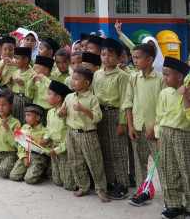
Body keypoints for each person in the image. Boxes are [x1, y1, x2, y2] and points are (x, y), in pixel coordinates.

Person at [123, 42, 165, 206]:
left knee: (160, 164)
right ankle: (143, 193)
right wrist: (130, 126)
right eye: (133, 58)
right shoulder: (133, 78)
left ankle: (170, 198)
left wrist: (155, 127)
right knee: (139, 163)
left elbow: (164, 107)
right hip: (137, 128)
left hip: (154, 130)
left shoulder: (161, 79)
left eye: (138, 58)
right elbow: (128, 102)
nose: (135, 61)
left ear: (150, 59)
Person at [60, 67, 110, 202]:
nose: (73, 81)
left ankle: (101, 190)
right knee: (76, 162)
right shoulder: (69, 97)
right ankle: (83, 186)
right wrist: (62, 112)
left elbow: (98, 117)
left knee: (95, 163)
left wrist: (83, 109)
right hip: (72, 133)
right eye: (73, 79)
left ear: (86, 83)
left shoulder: (92, 99)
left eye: (77, 79)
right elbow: (61, 115)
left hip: (87, 134)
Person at [93, 37, 129, 200]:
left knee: (118, 151)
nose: (106, 58)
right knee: (104, 149)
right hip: (100, 114)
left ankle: (122, 184)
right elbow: (93, 96)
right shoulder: (97, 74)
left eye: (110, 55)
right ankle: (109, 181)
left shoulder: (122, 76)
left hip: (115, 114)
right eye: (103, 54)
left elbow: (125, 100)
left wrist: (122, 122)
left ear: (118, 57)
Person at [154, 56, 190, 219]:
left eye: (167, 75)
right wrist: (159, 138)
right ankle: (174, 205)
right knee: (169, 171)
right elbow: (159, 117)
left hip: (183, 135)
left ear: (180, 77)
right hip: (165, 133)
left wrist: (186, 97)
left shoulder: (187, 91)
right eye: (164, 74)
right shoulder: (164, 93)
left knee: (186, 171)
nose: (164, 78)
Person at [42, 80, 75, 191]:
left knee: (69, 185)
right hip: (53, 147)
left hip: (64, 148)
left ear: (58, 98)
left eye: (49, 94)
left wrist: (58, 149)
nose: (47, 97)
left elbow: (70, 135)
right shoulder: (50, 112)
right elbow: (48, 129)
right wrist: (46, 139)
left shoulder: (66, 114)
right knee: (57, 181)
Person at [9, 104, 48, 184]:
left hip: (38, 157)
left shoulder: (44, 131)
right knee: (14, 176)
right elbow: (20, 145)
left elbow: (46, 148)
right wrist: (24, 158)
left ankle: (39, 169)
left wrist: (43, 144)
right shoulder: (24, 127)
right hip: (26, 155)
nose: (26, 118)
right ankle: (30, 170)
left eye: (29, 115)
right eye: (25, 115)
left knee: (30, 179)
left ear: (37, 117)